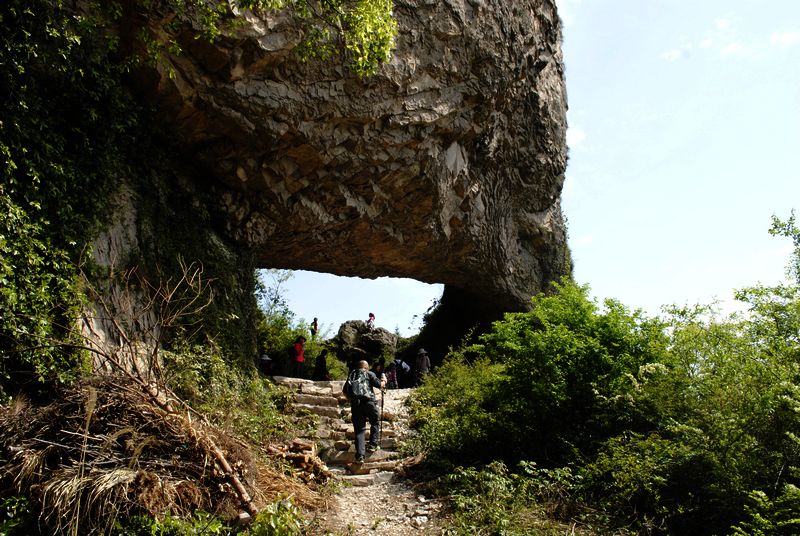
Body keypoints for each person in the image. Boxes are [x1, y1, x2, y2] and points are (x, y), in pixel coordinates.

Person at [344, 360, 386, 463]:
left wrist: (352, 400)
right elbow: (380, 385)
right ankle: (373, 444)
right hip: (369, 402)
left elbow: (345, 391)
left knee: (359, 430)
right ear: (366, 367)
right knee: (375, 421)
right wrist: (384, 380)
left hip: (356, 405)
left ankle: (360, 456)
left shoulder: (352, 374)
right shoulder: (369, 373)